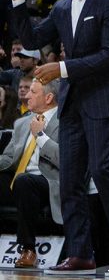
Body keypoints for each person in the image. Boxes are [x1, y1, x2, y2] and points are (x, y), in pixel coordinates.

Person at [8, 0, 109, 275]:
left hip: (102, 98)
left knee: (102, 171)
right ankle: (81, 252)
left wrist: (63, 70)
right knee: (69, 179)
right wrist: (18, 0)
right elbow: (31, 39)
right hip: (73, 102)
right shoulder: (62, 6)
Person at [0, 78, 61, 268]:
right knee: (21, 181)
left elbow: (65, 160)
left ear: (49, 97)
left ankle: (28, 249)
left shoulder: (66, 122)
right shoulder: (21, 123)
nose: (26, 96)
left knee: (25, 181)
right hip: (21, 180)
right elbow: (9, 159)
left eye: (33, 92)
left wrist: (41, 136)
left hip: (50, 181)